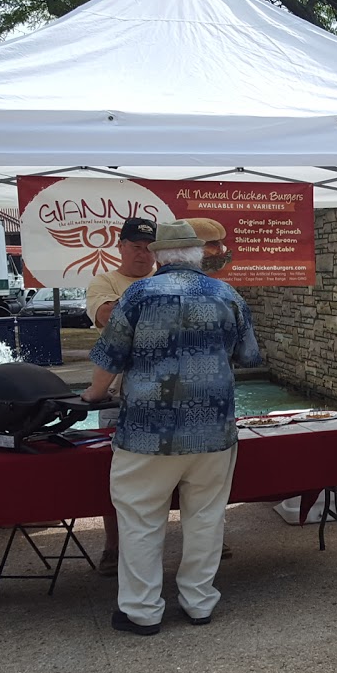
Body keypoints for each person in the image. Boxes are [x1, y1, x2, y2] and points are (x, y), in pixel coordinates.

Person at [80, 220, 262, 635]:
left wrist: (93, 394)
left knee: (141, 518)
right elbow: (249, 356)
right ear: (199, 255)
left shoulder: (137, 294)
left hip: (147, 430)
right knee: (206, 517)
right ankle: (199, 603)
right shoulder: (228, 294)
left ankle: (142, 611)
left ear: (160, 255)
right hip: (213, 430)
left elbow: (110, 356)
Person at [82, 216, 160, 577]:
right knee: (114, 473)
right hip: (117, 394)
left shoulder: (167, 276)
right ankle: (113, 545)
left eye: (149, 248)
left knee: (184, 468)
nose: (142, 254)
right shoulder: (104, 281)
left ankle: (202, 539)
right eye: (135, 247)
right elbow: (106, 315)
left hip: (165, 393)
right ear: (121, 247)